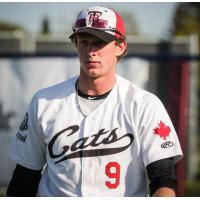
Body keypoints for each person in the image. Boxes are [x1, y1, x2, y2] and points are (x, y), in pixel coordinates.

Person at [7, 5, 183, 197]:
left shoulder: (145, 105)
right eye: (84, 41)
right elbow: (24, 177)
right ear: (76, 44)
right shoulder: (44, 102)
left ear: (120, 46)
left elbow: (163, 180)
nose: (91, 51)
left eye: (99, 42)